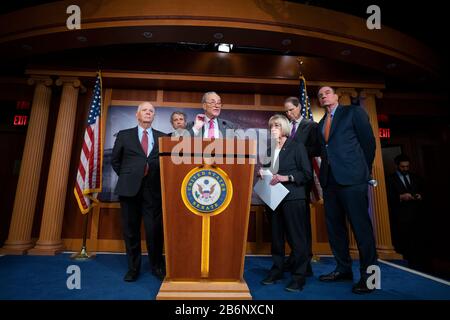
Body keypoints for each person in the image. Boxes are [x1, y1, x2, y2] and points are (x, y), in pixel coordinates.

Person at [316, 86, 378, 294]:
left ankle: (370, 278)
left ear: (336, 96)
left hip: (353, 180)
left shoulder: (353, 112)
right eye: (320, 95)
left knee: (362, 230)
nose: (323, 96)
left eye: (327, 92)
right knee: (335, 229)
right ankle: (343, 269)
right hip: (329, 182)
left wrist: (363, 171)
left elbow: (368, 144)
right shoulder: (320, 124)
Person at [111, 101, 166, 282]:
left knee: (154, 231)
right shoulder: (124, 135)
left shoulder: (163, 138)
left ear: (154, 116)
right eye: (145, 110)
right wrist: (129, 177)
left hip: (154, 192)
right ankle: (133, 268)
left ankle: (157, 266)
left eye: (151, 111)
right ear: (137, 114)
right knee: (131, 231)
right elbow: (115, 161)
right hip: (129, 191)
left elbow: (167, 164)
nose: (148, 113)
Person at [260, 114, 312, 292]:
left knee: (297, 240)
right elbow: (268, 170)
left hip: (293, 197)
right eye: (271, 126)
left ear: (284, 128)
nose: (273, 129)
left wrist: (286, 177)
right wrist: (263, 172)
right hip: (273, 199)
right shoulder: (269, 149)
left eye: (276, 125)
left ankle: (299, 277)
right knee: (276, 237)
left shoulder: (297, 147)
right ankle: (277, 270)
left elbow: (306, 174)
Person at [283, 96, 321, 276]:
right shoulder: (286, 126)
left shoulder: (311, 126)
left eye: (291, 109)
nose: (289, 113)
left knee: (302, 221)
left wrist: (299, 153)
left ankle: (305, 260)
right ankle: (296, 256)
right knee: (291, 221)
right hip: (285, 178)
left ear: (299, 107)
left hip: (301, 178)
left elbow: (317, 148)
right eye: (286, 111)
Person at [386, 154, 427, 271]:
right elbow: (387, 197)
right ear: (397, 166)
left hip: (417, 216)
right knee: (404, 243)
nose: (405, 169)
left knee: (417, 242)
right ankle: (406, 266)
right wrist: (400, 197)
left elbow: (424, 190)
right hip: (400, 217)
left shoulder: (415, 177)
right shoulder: (390, 179)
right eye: (403, 167)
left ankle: (420, 266)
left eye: (407, 166)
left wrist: (420, 196)